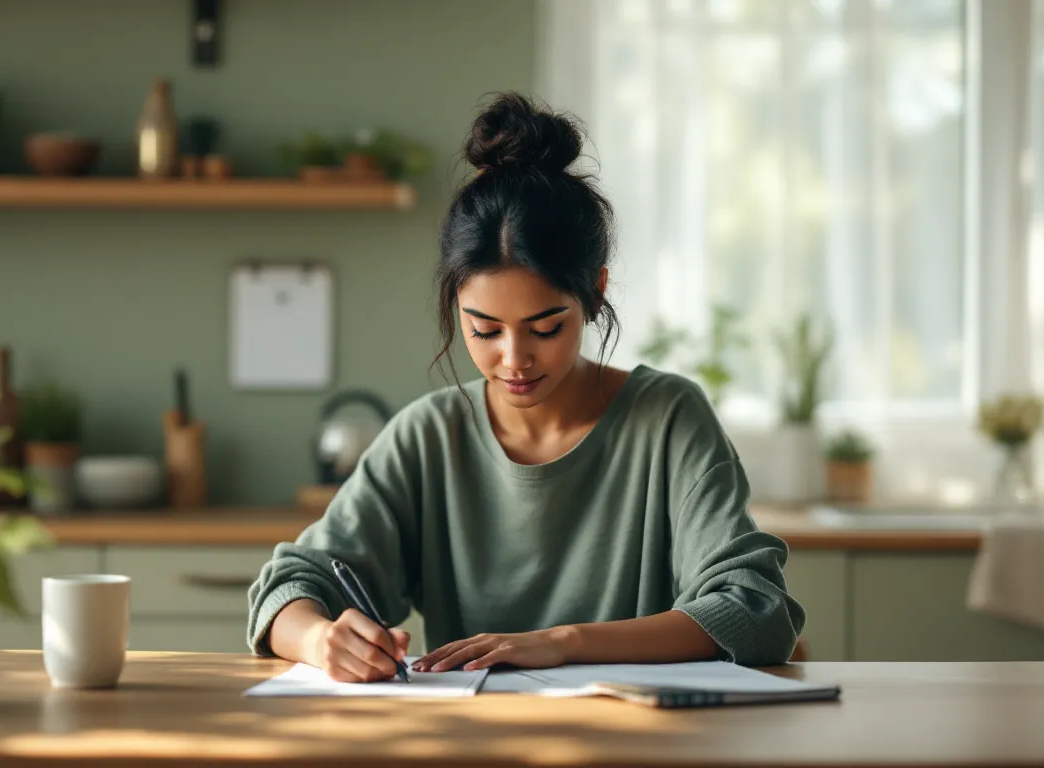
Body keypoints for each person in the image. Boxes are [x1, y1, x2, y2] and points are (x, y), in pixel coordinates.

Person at [246, 92, 805, 683]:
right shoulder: (429, 436)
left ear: (596, 291)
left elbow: (758, 610)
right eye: (483, 329)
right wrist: (319, 638)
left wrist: (562, 643)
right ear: (454, 303)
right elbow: (287, 588)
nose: (513, 360)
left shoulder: (668, 419)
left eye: (545, 328)